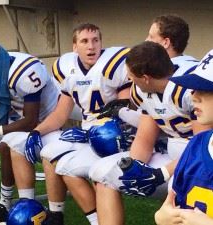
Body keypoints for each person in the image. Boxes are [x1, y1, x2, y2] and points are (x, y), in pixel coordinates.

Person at [89, 41, 210, 225]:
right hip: (175, 153)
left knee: (180, 192)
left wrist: (160, 174)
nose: (195, 96)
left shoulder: (184, 91)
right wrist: (135, 168)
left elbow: (199, 150)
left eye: (204, 90)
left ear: (145, 77)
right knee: (107, 174)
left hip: (189, 155)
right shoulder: (142, 91)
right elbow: (145, 136)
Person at [25, 23, 132, 225]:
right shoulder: (68, 68)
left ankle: (98, 220)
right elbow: (60, 113)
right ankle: (57, 215)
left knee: (73, 166)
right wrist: (36, 132)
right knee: (50, 153)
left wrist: (93, 131)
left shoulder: (113, 65)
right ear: (75, 47)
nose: (91, 46)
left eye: (95, 40)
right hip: (87, 132)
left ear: (101, 43)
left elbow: (123, 112)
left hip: (114, 136)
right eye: (84, 41)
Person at [0, 42, 60, 225]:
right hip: (21, 122)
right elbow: (2, 110)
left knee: (6, 143)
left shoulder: (24, 73)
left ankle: (5, 205)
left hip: (48, 124)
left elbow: (31, 120)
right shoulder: (0, 71)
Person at [154, 50, 213, 225]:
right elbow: (174, 205)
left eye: (205, 89)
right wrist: (162, 217)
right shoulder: (196, 145)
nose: (193, 96)